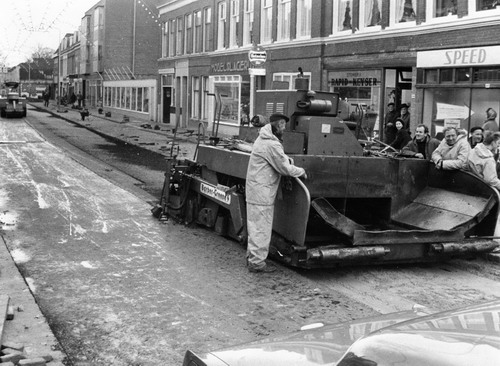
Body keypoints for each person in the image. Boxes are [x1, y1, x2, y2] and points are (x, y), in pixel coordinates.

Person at [245, 113, 307, 273]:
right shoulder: (272, 145)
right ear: (277, 125)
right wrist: (301, 171)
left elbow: (278, 159)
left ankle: (252, 259)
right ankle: (257, 264)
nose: (284, 129)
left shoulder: (263, 139)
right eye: (283, 126)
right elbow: (284, 168)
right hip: (262, 193)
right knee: (261, 229)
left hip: (255, 191)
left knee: (255, 227)